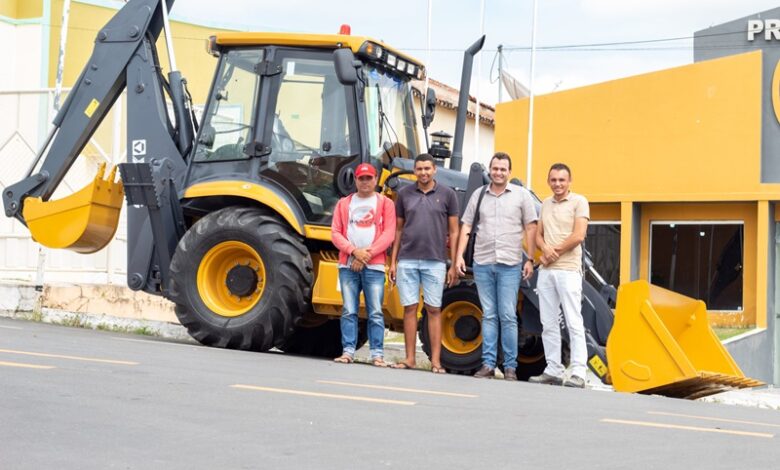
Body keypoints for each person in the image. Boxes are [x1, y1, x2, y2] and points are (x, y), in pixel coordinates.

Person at [455, 152, 538, 380]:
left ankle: (510, 366)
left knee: (508, 315)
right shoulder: (479, 195)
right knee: (489, 315)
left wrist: (529, 258)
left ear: (509, 172)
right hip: (482, 262)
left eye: (503, 169)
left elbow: (531, 228)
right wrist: (460, 256)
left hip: (510, 264)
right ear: (489, 170)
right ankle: (488, 364)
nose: (499, 172)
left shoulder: (521, 196)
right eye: (495, 168)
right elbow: (466, 226)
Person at [389, 154, 460, 373]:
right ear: (414, 171)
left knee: (434, 309)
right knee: (409, 309)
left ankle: (436, 362)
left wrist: (454, 263)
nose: (423, 173)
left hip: (435, 261)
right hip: (407, 260)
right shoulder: (404, 194)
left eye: (427, 168)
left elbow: (454, 231)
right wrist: (393, 262)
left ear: (435, 169)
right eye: (419, 169)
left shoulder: (448, 195)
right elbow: (398, 229)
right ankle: (410, 359)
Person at [529, 163, 590, 388]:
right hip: (547, 272)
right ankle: (553, 369)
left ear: (569, 181)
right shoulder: (545, 203)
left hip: (568, 271)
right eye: (553, 180)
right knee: (548, 322)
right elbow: (538, 236)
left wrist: (553, 253)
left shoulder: (579, 202)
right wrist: (544, 249)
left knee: (574, 321)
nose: (557, 184)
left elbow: (579, 235)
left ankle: (578, 373)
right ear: (548, 181)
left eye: (562, 180)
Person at [331, 163, 396, 367]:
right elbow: (335, 233)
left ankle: (377, 354)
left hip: (374, 266)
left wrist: (365, 255)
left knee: (375, 311)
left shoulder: (385, 204)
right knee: (349, 310)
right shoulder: (344, 204)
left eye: (369, 178)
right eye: (361, 178)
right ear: (356, 180)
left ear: (376, 179)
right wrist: (353, 252)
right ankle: (348, 351)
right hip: (347, 265)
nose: (365, 182)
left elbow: (389, 234)